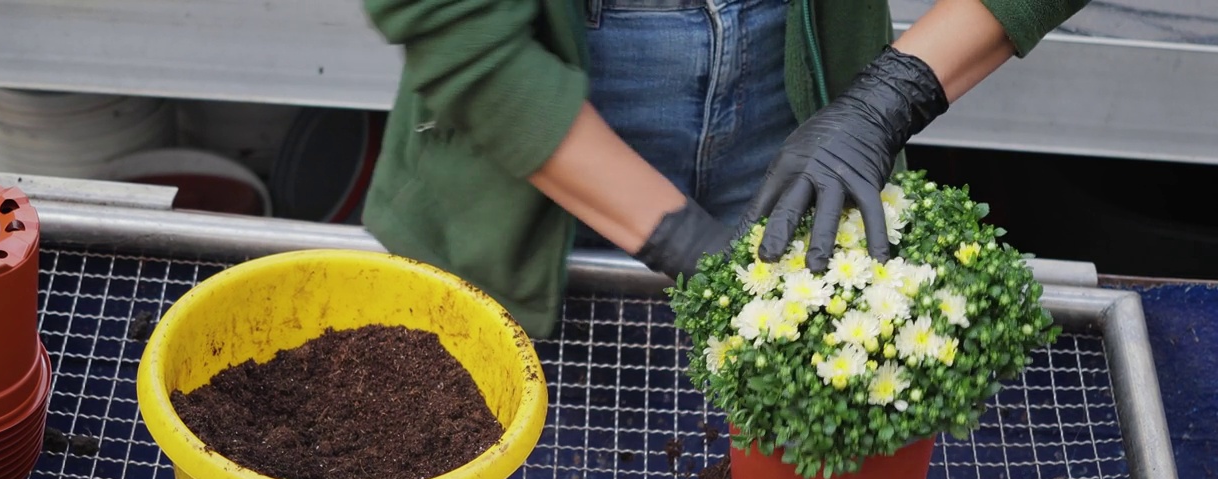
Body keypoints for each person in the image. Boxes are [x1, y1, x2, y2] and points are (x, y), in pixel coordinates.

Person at [359, 0, 1089, 337]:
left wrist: (887, 99)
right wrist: (684, 241)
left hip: (796, 72)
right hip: (534, 142)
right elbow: (453, 25)